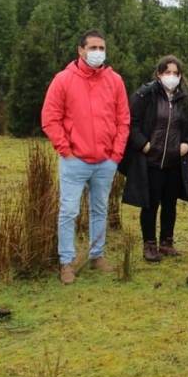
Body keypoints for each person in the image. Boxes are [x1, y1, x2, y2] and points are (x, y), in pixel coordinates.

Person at [41, 29, 130, 285]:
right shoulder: (63, 80)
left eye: (101, 48)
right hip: (74, 161)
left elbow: (123, 119)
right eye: (93, 48)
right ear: (81, 50)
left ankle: (97, 255)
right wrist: (65, 150)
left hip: (105, 161)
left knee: (100, 209)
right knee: (68, 211)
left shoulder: (115, 81)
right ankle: (66, 262)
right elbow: (50, 118)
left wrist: (116, 154)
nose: (98, 53)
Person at [121, 55, 188, 262]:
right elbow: (131, 124)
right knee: (150, 204)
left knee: (170, 204)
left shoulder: (185, 99)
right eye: (167, 72)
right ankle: (149, 244)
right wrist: (144, 145)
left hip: (174, 162)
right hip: (151, 162)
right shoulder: (145, 95)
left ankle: (167, 242)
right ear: (158, 74)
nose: (171, 77)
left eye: (175, 73)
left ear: (181, 76)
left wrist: (187, 145)